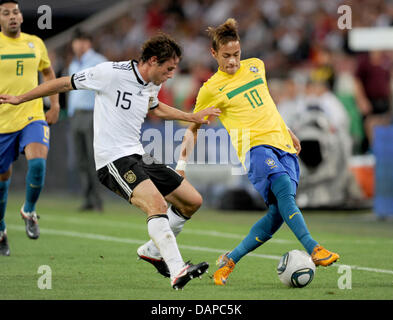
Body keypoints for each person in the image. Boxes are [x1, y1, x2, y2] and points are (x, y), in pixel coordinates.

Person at [0, 33, 221, 289]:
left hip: (137, 154)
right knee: (157, 205)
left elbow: (154, 107)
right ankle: (177, 269)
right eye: (169, 68)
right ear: (152, 61)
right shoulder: (109, 73)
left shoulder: (153, 82)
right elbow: (62, 83)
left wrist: (190, 117)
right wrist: (20, 98)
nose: (172, 74)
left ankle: (152, 250)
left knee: (192, 201)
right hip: (112, 160)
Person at [175, 18, 340, 286]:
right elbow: (193, 128)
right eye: (226, 56)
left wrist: (287, 130)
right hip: (254, 148)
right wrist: (182, 163)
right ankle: (314, 248)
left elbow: (266, 104)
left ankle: (230, 260)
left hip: (283, 145)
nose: (232, 61)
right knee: (284, 187)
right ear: (214, 54)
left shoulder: (256, 66)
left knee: (277, 216)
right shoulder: (210, 90)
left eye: (236, 54)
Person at [0, 0, 60, 256]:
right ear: (0, 19)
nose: (12, 17)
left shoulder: (36, 43)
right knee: (3, 179)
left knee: (37, 164)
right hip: (3, 122)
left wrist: (54, 103)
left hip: (32, 115)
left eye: (15, 12)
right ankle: (1, 228)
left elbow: (48, 74)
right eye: (6, 13)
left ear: (22, 17)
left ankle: (29, 209)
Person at [68, 29, 106, 212]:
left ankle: (98, 199)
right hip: (76, 114)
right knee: (82, 160)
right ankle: (88, 198)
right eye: (77, 41)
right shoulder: (74, 63)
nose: (79, 44)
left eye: (83, 41)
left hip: (92, 113)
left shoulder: (98, 62)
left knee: (93, 159)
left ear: (89, 43)